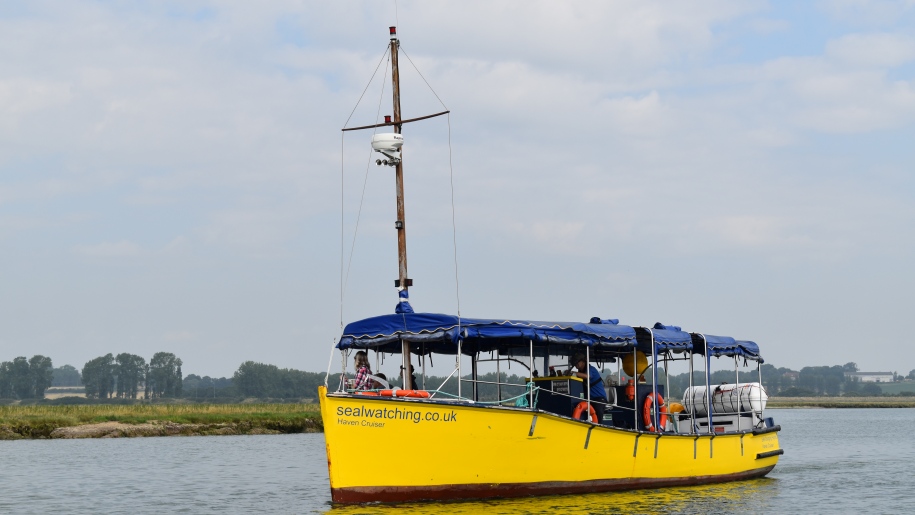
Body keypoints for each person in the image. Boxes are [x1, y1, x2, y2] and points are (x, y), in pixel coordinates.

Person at [569, 353, 608, 423]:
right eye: (574, 363)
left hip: (599, 399)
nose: (575, 364)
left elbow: (587, 376)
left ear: (583, 361)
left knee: (598, 417)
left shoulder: (591, 369)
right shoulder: (580, 372)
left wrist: (573, 373)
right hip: (589, 399)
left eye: (577, 362)